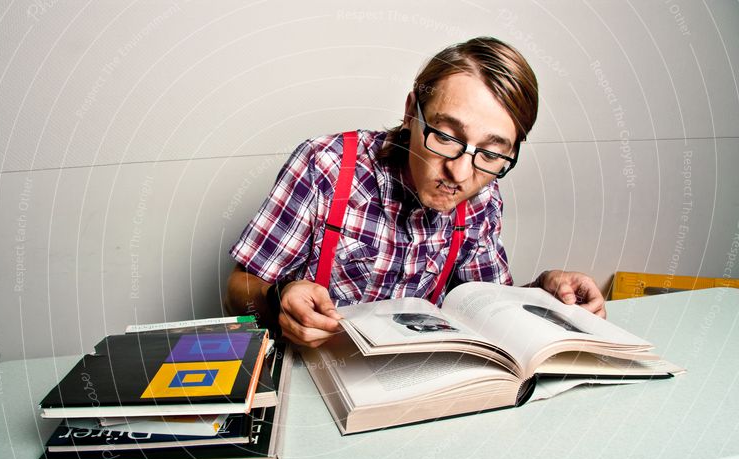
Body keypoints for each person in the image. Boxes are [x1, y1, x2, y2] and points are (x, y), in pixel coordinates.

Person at [225, 37, 606, 348]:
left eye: (490, 152)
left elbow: (487, 307)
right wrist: (279, 298)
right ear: (411, 112)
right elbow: (237, 293)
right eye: (445, 135)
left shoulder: (482, 198)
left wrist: (546, 293)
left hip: (418, 383)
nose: (459, 172)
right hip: (316, 377)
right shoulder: (327, 165)